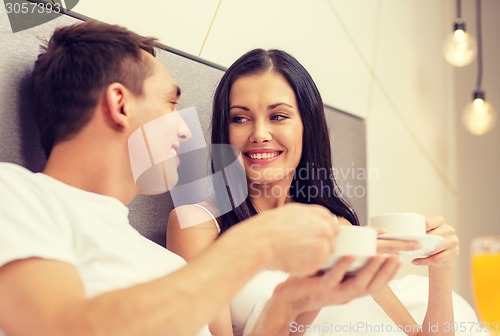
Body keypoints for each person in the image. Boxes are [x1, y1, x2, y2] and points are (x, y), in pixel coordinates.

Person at [0, 22, 401, 336]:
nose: (186, 130)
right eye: (171, 102)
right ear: (120, 104)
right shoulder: (17, 193)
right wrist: (257, 242)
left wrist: (289, 304)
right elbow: (62, 329)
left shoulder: (164, 264)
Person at [166, 49, 477, 336]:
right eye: (241, 118)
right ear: (226, 129)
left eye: (278, 116)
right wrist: (299, 300)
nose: (259, 134)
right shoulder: (198, 224)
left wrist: (440, 266)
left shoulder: (336, 226)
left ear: (307, 126)